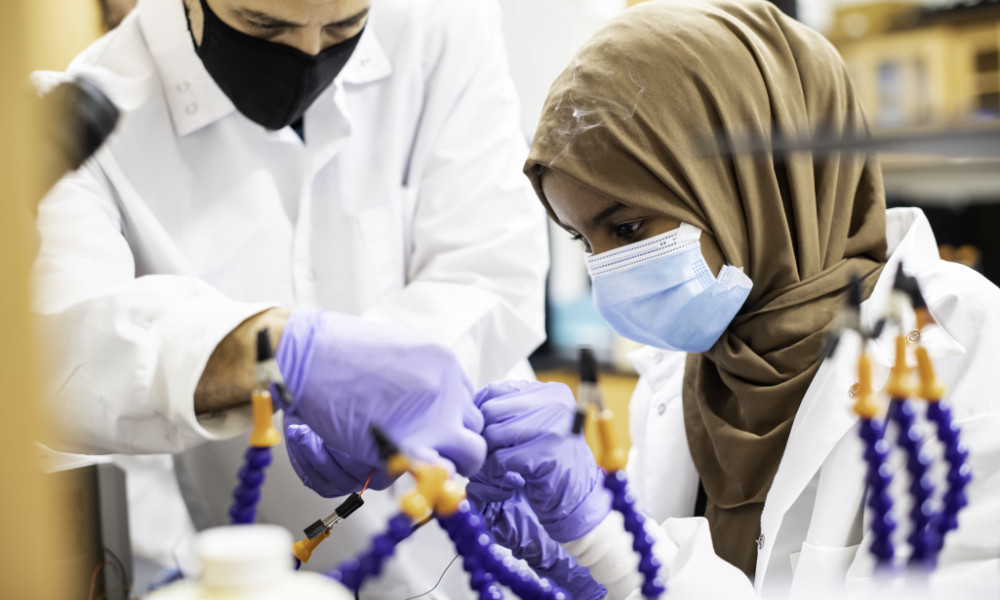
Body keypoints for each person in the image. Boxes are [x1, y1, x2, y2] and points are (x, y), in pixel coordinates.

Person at [464, 0, 1000, 597]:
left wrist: (612, 538)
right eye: (583, 240)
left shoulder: (972, 357)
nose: (606, 273)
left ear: (752, 186)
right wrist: (576, 564)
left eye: (629, 228)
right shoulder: (683, 375)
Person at [32, 0, 548, 595]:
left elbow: (491, 266)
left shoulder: (443, 28)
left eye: (344, 27)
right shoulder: (81, 116)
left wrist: (399, 385)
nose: (308, 55)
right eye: (263, 25)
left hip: (477, 543)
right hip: (265, 570)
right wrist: (275, 350)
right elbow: (58, 349)